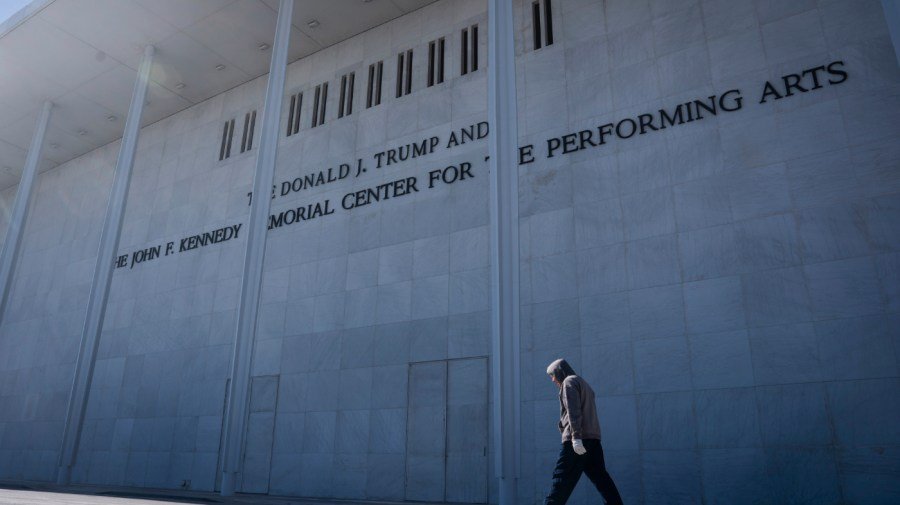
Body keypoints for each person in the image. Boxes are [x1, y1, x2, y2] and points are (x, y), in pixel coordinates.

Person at [544, 358, 623, 505]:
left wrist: (576, 438)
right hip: (593, 440)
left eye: (552, 375)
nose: (552, 379)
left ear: (559, 372)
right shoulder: (583, 383)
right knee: (602, 480)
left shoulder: (568, 382)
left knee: (560, 480)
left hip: (577, 441)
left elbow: (574, 411)